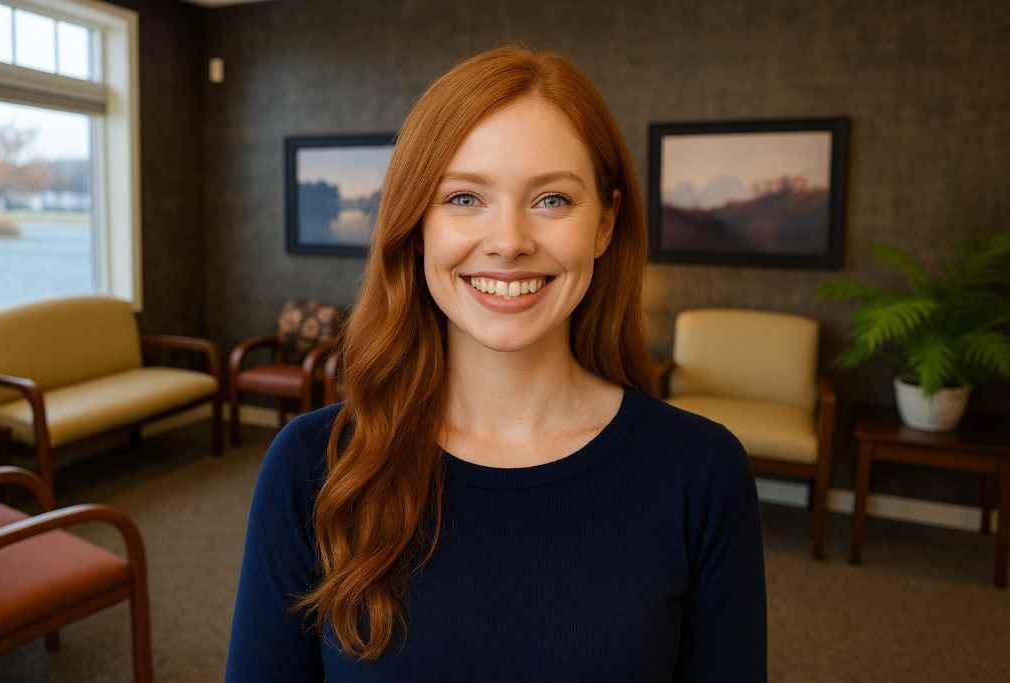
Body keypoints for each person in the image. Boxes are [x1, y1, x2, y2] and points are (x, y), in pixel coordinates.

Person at [225, 43, 767, 682]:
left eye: (552, 200)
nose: (508, 241)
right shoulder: (314, 465)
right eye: (463, 198)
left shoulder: (701, 472)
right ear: (417, 223)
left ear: (604, 224)